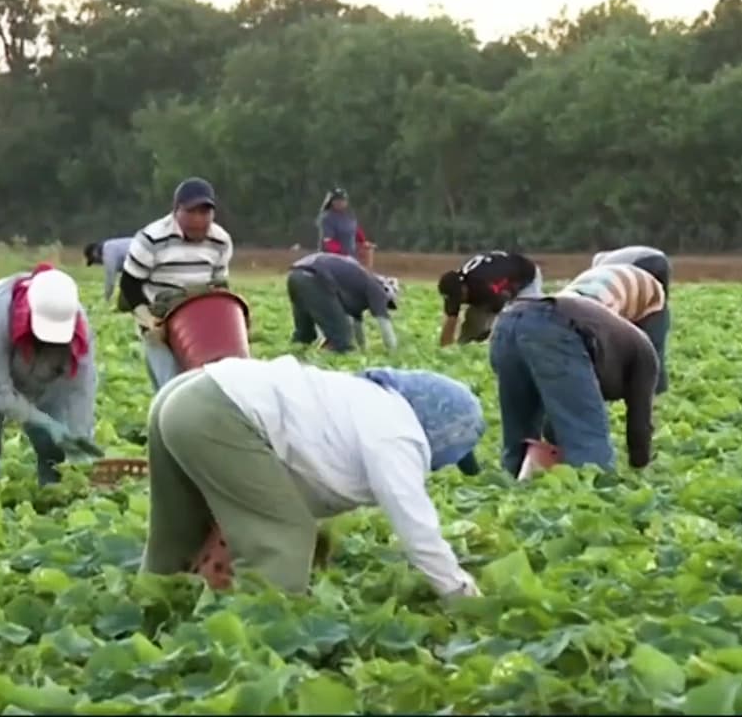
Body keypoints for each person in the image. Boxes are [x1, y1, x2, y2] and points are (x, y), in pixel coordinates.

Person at [139, 354, 485, 600]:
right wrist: (459, 592)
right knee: (284, 538)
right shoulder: (399, 433)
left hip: (187, 395)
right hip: (217, 411)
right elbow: (416, 528)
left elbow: (289, 477)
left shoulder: (362, 401)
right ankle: (255, 645)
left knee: (178, 530)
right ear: (436, 429)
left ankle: (151, 605)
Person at [0, 264, 102, 486]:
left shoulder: (77, 326)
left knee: (53, 437)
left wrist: (80, 435)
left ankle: (55, 489)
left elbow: (80, 389)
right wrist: (45, 422)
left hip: (41, 364)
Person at [490, 292, 659, 476]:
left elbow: (560, 410)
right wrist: (639, 466)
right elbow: (640, 422)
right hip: (553, 325)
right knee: (587, 439)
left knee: (519, 433)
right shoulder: (645, 356)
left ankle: (516, 480)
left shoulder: (616, 341)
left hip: (506, 322)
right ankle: (592, 488)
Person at [120, 177, 234, 390]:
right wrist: (147, 319)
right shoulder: (152, 238)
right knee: (172, 387)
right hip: (160, 321)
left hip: (200, 320)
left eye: (204, 212)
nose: (198, 219)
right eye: (191, 212)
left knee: (207, 384)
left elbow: (219, 285)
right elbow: (129, 285)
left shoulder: (221, 241)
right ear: (176, 210)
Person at [559, 262, 670, 394]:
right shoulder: (554, 306)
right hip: (612, 285)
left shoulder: (603, 313)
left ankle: (655, 398)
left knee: (649, 361)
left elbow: (610, 353)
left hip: (648, 297)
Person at [286, 252, 400, 353]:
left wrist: (362, 350)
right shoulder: (377, 289)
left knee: (304, 335)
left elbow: (357, 324)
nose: (385, 305)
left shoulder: (360, 287)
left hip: (295, 275)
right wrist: (393, 350)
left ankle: (294, 354)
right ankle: (328, 359)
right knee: (341, 341)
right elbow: (384, 323)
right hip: (316, 277)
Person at [437, 251, 542, 346]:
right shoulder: (455, 286)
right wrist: (445, 349)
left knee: (521, 322)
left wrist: (489, 337)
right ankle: (466, 347)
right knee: (472, 325)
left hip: (525, 276)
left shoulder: (486, 287)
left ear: (464, 289)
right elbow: (451, 319)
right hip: (494, 281)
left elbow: (503, 312)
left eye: (459, 297)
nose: (460, 301)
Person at [591, 245, 671, 294]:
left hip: (643, 261)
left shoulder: (604, 268)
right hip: (661, 258)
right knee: (660, 296)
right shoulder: (614, 258)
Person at [83, 234, 134, 306]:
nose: (98, 263)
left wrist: (106, 300)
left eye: (94, 261)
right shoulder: (110, 246)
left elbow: (110, 281)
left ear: (94, 254)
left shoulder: (108, 252)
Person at [316, 187, 364, 258]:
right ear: (331, 202)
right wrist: (343, 252)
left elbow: (355, 230)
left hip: (350, 257)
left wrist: (363, 242)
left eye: (342, 200)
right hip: (331, 258)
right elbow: (328, 241)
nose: (340, 202)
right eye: (337, 200)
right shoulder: (327, 218)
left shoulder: (350, 216)